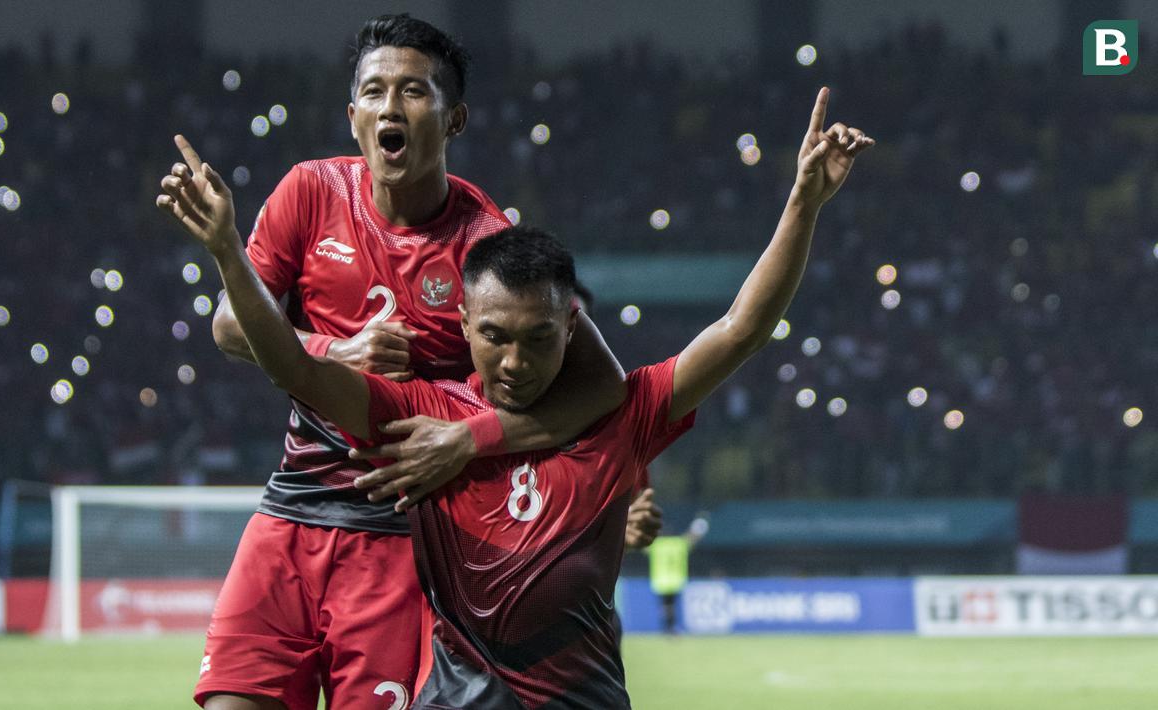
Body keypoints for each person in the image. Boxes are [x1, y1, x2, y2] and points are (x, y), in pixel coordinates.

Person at [158, 85, 871, 707]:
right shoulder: (426, 422)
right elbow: (295, 369)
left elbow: (741, 328)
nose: (513, 360)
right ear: (462, 324)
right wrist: (227, 252)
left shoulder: (618, 418)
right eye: (493, 335)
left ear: (571, 328)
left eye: (536, 338)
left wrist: (804, 202)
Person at [162, 14, 630, 710]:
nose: (390, 106)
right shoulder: (308, 192)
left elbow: (601, 384)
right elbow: (229, 325)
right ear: (353, 117)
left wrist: (469, 438)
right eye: (374, 91)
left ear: (454, 118)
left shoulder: (485, 242)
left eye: (413, 91)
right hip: (290, 513)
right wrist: (330, 349)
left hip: (399, 536)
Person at [646, 513, 709, 634]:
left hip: (660, 581)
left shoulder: (656, 545)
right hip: (676, 581)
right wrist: (699, 525)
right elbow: (692, 538)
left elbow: (641, 544)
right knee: (672, 606)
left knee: (666, 606)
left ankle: (668, 627)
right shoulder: (679, 543)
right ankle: (671, 628)